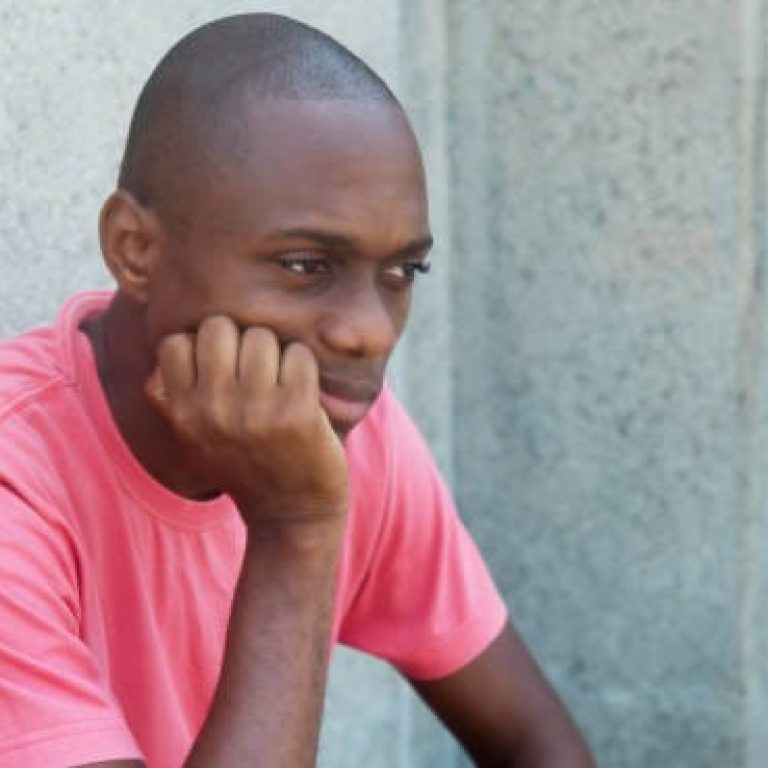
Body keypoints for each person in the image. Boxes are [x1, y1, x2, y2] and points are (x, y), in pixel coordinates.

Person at [0, 13, 595, 768]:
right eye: (306, 265)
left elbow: (540, 746)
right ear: (135, 249)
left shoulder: (346, 429)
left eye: (401, 273)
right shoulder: (17, 483)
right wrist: (297, 528)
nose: (369, 332)